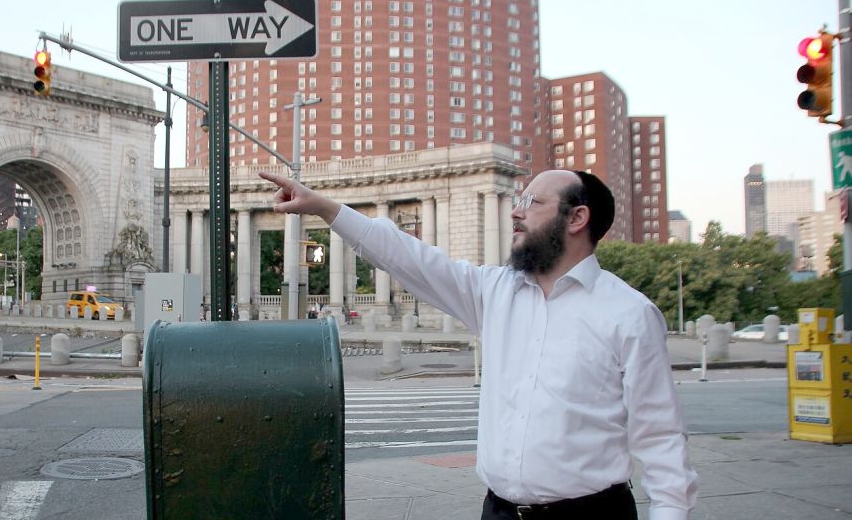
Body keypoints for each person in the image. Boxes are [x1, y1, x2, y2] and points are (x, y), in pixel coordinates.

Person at [260, 169, 697, 520]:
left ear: (577, 218)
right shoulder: (494, 292)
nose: (515, 212)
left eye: (533, 202)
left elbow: (659, 435)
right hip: (499, 511)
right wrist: (324, 207)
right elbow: (408, 257)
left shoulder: (629, 314)